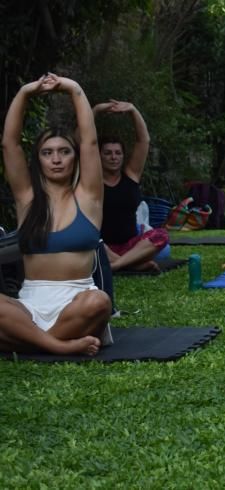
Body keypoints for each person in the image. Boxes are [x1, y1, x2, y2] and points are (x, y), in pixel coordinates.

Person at [0, 74, 112, 356]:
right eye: (47, 153)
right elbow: (10, 145)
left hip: (76, 303)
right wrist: (24, 92)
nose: (56, 159)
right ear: (38, 160)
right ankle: (57, 345)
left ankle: (25, 341)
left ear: (75, 157)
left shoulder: (89, 196)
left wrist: (74, 88)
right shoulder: (27, 198)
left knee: (100, 302)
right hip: (29, 305)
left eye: (64, 152)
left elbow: (89, 142)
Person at [93, 100, 167, 272]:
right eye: (107, 153)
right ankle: (132, 264)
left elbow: (143, 141)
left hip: (130, 246)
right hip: (102, 247)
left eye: (118, 153)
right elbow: (82, 142)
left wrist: (133, 110)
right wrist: (95, 111)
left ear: (123, 156)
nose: (113, 157)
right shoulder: (92, 179)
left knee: (161, 235)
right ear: (99, 156)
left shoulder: (131, 175)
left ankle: (117, 265)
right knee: (85, 238)